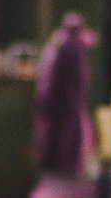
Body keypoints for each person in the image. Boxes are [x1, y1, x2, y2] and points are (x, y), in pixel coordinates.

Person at [35, 12, 96, 175]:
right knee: (64, 132)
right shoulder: (68, 47)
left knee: (59, 130)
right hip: (64, 98)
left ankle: (61, 164)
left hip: (61, 98)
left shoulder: (62, 44)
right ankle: (63, 165)